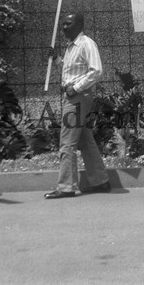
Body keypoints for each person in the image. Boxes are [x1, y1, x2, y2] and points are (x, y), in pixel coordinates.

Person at [44, 13, 110, 199]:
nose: (64, 27)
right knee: (84, 141)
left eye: (68, 24)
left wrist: (76, 88)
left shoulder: (87, 43)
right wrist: (57, 59)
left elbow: (96, 71)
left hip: (78, 98)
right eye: (62, 24)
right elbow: (71, 69)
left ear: (79, 24)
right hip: (74, 96)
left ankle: (66, 187)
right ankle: (100, 180)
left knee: (67, 142)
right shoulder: (71, 47)